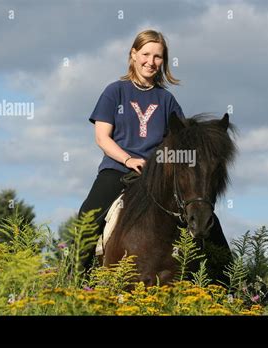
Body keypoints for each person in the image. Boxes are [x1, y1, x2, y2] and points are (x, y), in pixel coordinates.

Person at [78, 29, 230, 273]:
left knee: (204, 215)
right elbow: (101, 137)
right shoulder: (114, 91)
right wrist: (128, 159)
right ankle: (76, 278)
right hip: (117, 169)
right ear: (133, 54)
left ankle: (236, 282)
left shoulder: (167, 100)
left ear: (164, 61)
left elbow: (183, 141)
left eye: (158, 57)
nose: (151, 62)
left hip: (157, 174)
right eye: (146, 54)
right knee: (88, 214)